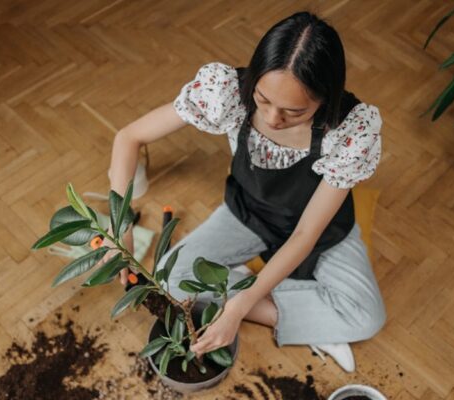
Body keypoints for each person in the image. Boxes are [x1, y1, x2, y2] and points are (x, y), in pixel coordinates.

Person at [105, 11, 385, 372]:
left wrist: (237, 306)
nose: (271, 119)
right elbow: (128, 137)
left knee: (368, 315)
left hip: (320, 233)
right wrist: (119, 232)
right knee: (169, 278)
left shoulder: (348, 131)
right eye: (263, 99)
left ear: (324, 100)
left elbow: (304, 235)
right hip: (247, 213)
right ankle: (311, 317)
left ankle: (278, 307)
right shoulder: (227, 94)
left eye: (293, 111)